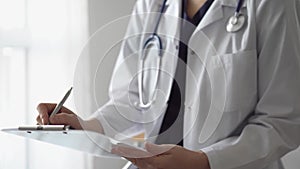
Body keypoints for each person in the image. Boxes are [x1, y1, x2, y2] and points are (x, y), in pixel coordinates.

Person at [36, 0, 300, 169]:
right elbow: (133, 100)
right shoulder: (152, 4)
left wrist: (205, 162)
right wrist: (87, 126)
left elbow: (282, 122)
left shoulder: (271, 4)